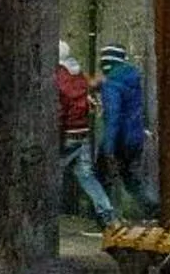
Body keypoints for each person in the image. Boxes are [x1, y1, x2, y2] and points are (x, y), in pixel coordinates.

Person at [56, 42, 115, 228]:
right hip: (83, 132)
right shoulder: (79, 74)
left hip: (67, 134)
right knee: (86, 175)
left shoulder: (58, 77)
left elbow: (60, 109)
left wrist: (55, 135)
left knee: (47, 174)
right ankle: (108, 216)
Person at [97, 44, 151, 215]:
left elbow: (113, 117)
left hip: (119, 138)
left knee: (100, 176)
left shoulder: (111, 83)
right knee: (129, 178)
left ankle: (105, 216)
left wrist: (109, 148)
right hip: (135, 137)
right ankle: (151, 208)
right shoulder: (132, 77)